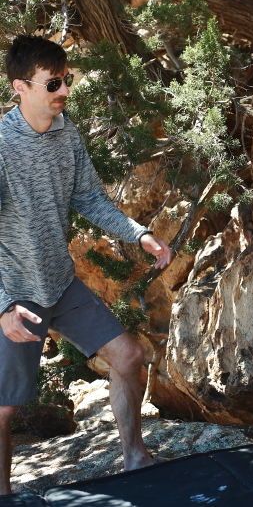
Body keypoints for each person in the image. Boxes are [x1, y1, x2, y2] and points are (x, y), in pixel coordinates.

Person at [0, 35, 172, 495]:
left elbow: (89, 197)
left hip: (61, 284)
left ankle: (135, 455)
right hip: (15, 294)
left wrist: (140, 234)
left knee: (130, 354)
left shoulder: (66, 135)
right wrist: (2, 306)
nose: (64, 90)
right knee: (3, 408)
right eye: (53, 82)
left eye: (67, 79)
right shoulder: (1, 146)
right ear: (21, 87)